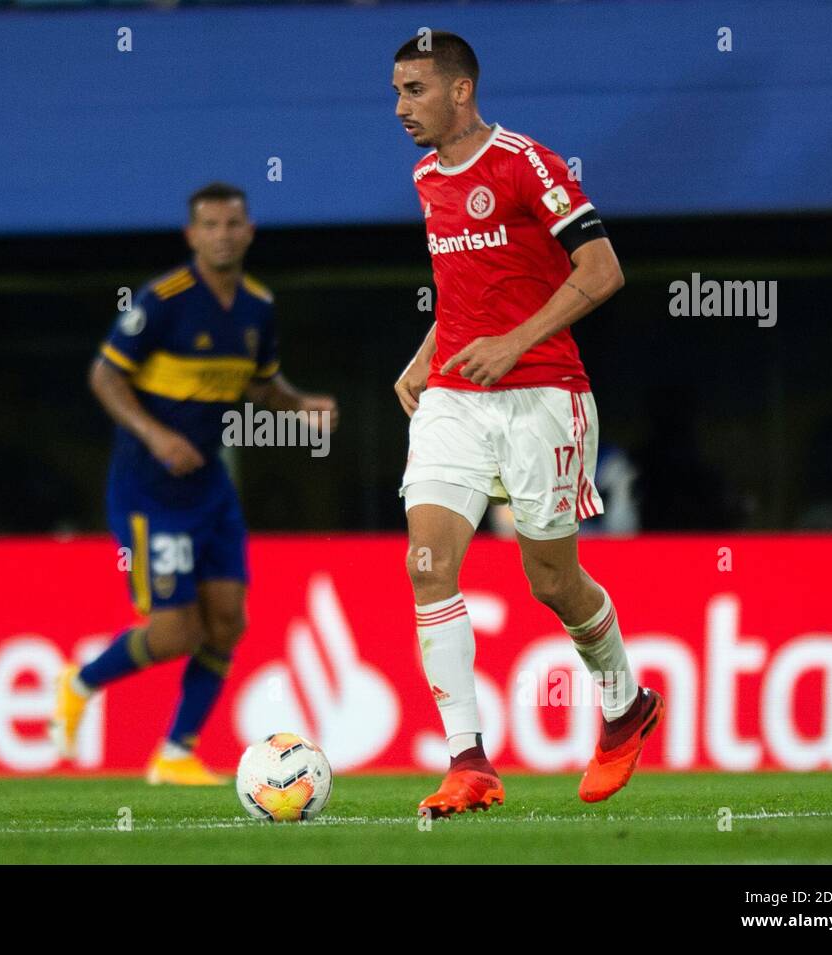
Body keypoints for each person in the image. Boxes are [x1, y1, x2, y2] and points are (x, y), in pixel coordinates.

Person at [391, 32, 664, 816]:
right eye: (398, 92)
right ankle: (468, 761)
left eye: (414, 90)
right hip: (454, 396)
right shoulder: (423, 176)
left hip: (543, 392)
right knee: (426, 564)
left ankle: (622, 705)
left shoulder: (526, 163)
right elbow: (464, 292)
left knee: (550, 580)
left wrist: (513, 342)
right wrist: (425, 356)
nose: (401, 108)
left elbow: (603, 270)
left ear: (460, 90)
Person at [52, 182, 338, 784]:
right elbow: (105, 377)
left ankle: (176, 752)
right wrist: (155, 435)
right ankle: (80, 682)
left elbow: (260, 387)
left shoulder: (259, 307)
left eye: (233, 224)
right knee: (177, 632)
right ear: (192, 236)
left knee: (230, 621)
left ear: (249, 231)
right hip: (148, 490)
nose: (223, 235)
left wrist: (301, 403)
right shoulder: (163, 300)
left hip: (211, 489)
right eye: (210, 226)